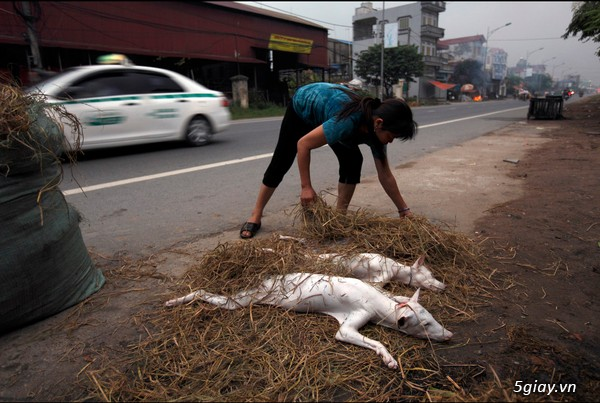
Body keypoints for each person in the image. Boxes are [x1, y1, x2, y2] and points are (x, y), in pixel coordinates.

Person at [240, 82, 418, 239]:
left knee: (353, 160)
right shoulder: (347, 122)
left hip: (329, 114)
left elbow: (385, 175)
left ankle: (339, 218)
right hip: (303, 108)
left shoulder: (376, 133)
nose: (391, 141)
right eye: (392, 136)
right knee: (282, 160)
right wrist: (306, 187)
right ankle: (256, 214)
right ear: (378, 123)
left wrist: (404, 210)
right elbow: (303, 145)